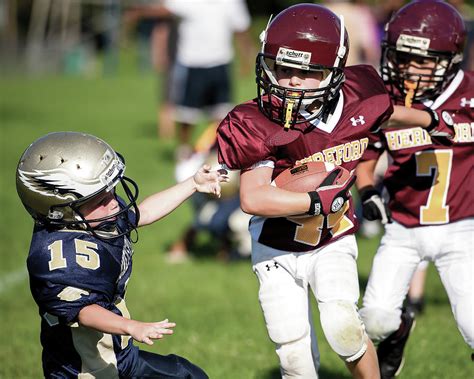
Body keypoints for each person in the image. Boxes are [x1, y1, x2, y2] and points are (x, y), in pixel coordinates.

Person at [216, 4, 449, 378]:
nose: (289, 81)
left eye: (304, 73)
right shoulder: (255, 121)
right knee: (291, 347)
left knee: (344, 326)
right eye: (282, 69)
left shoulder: (361, 97)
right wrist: (313, 200)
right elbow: (252, 198)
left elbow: (385, 112)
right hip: (275, 243)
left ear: (332, 74)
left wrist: (432, 119)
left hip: (333, 236)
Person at [16, 131, 228, 378]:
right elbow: (84, 311)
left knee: (188, 374)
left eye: (110, 191)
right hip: (83, 370)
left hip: (121, 357)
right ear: (59, 209)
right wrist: (130, 326)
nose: (114, 202)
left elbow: (144, 212)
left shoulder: (95, 220)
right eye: (100, 199)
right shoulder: (57, 256)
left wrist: (193, 184)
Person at [356, 1, 473, 378]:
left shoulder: (470, 95)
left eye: (421, 60)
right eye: (402, 57)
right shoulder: (386, 97)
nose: (409, 68)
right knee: (374, 320)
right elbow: (366, 154)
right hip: (404, 227)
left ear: (451, 58)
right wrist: (368, 191)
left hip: (462, 230)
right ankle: (399, 329)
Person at [124, 0, 253, 160]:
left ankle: (218, 151)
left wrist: (247, 58)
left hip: (220, 64)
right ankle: (184, 150)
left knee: (222, 113)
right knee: (187, 115)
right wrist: (138, 11)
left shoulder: (232, 3)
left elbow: (241, 30)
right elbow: (163, 9)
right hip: (193, 65)